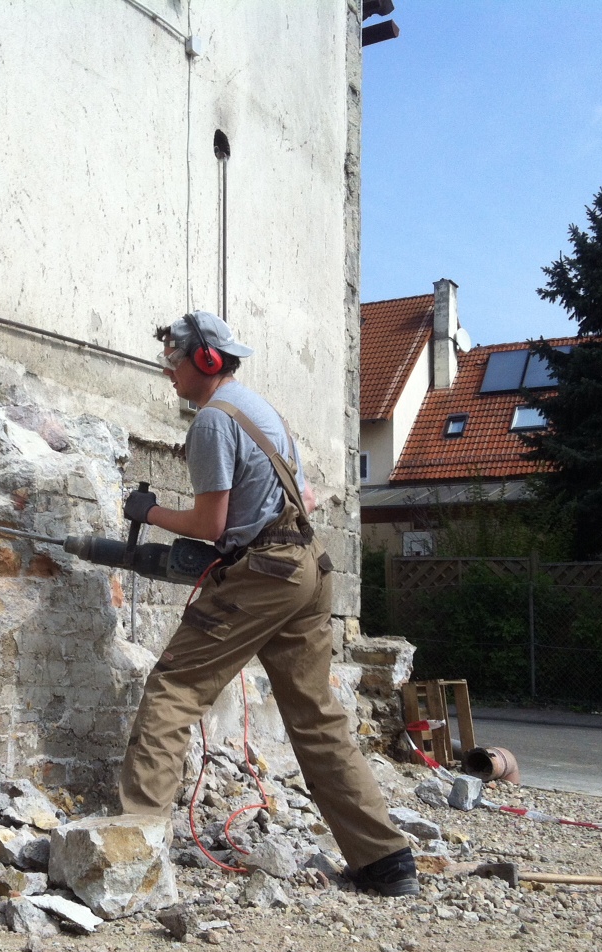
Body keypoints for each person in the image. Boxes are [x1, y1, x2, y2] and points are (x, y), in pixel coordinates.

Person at [118, 310, 420, 897]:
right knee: (315, 714)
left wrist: (147, 512)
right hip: (308, 566)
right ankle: (385, 861)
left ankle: (131, 853)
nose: (168, 372)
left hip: (264, 571)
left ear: (206, 359)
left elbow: (211, 525)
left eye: (174, 361)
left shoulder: (212, 421)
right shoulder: (261, 410)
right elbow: (303, 496)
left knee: (174, 689)